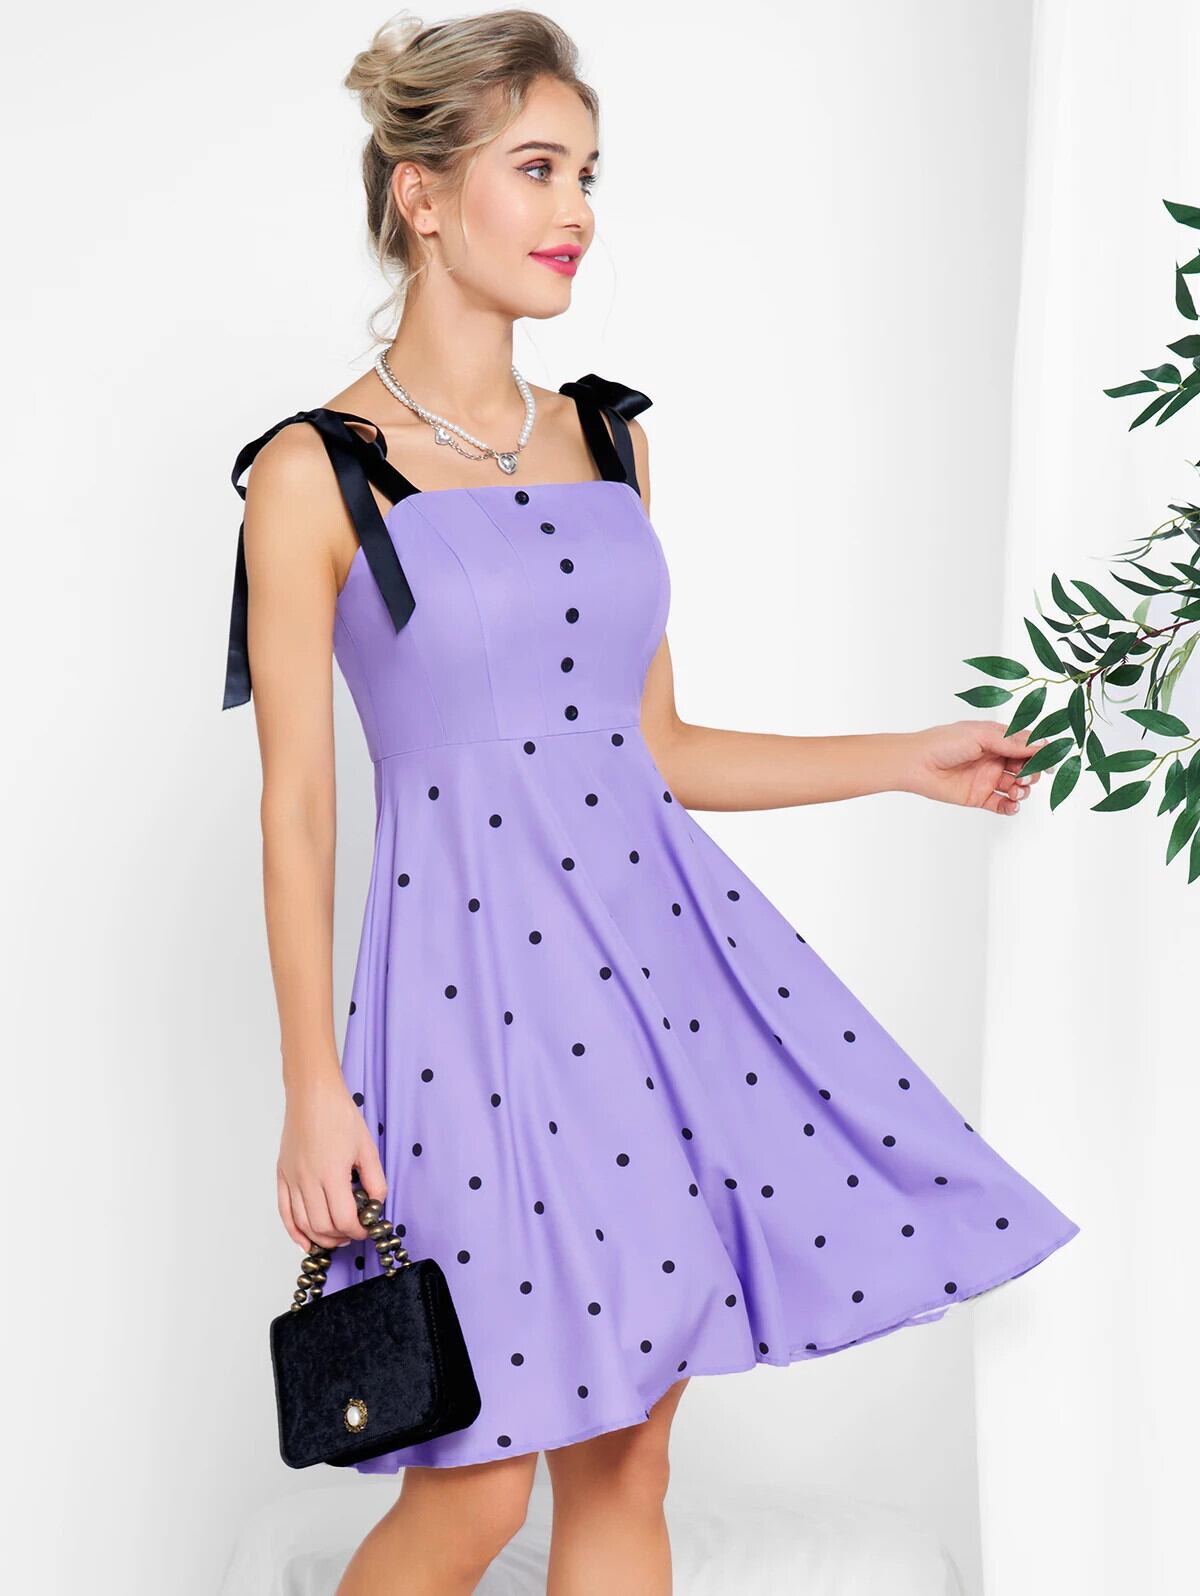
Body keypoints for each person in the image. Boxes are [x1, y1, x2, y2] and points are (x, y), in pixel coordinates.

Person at [221, 10, 1080, 1593]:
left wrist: (905, 757)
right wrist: (312, 1087)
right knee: (474, 1494)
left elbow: (657, 750)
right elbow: (297, 810)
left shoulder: (607, 437)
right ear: (423, 193)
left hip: (648, 996)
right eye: (539, 169)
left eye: (589, 175)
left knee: (629, 1465)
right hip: (462, 1016)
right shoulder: (311, 472)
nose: (577, 213)